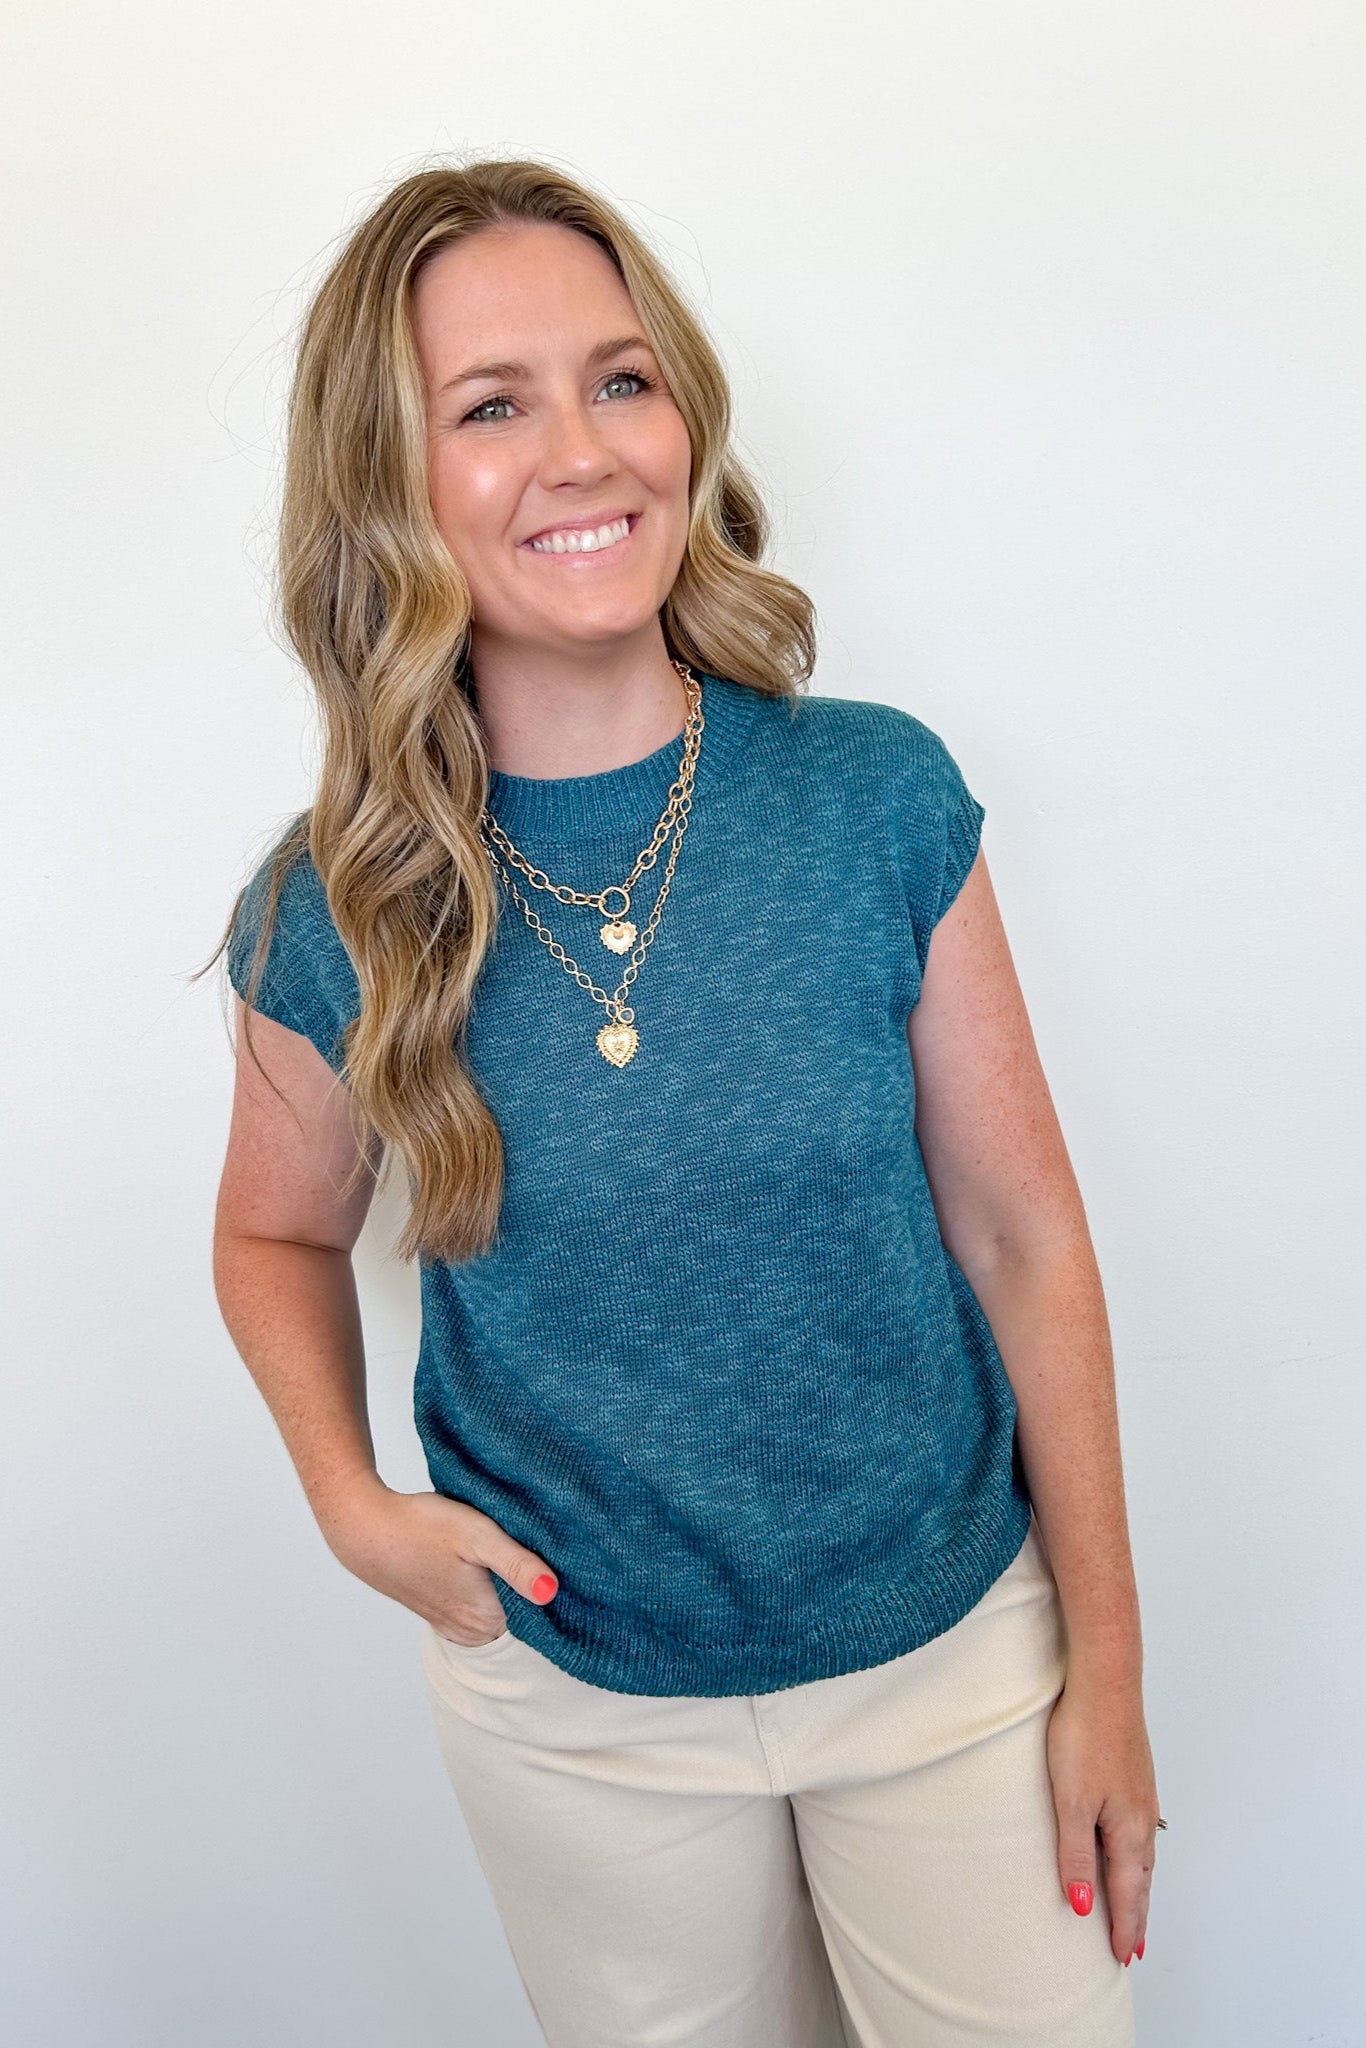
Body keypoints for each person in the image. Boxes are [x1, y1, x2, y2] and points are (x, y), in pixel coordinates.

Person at [209, 157, 1161, 2047]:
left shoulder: (873, 799)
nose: (581, 449)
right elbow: (268, 1229)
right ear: (391, 482)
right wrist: (350, 1507)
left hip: (952, 1652)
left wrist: (1110, 1668)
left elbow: (1021, 1231)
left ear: (685, 419)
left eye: (619, 379)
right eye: (491, 407)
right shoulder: (340, 904)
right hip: (572, 1709)